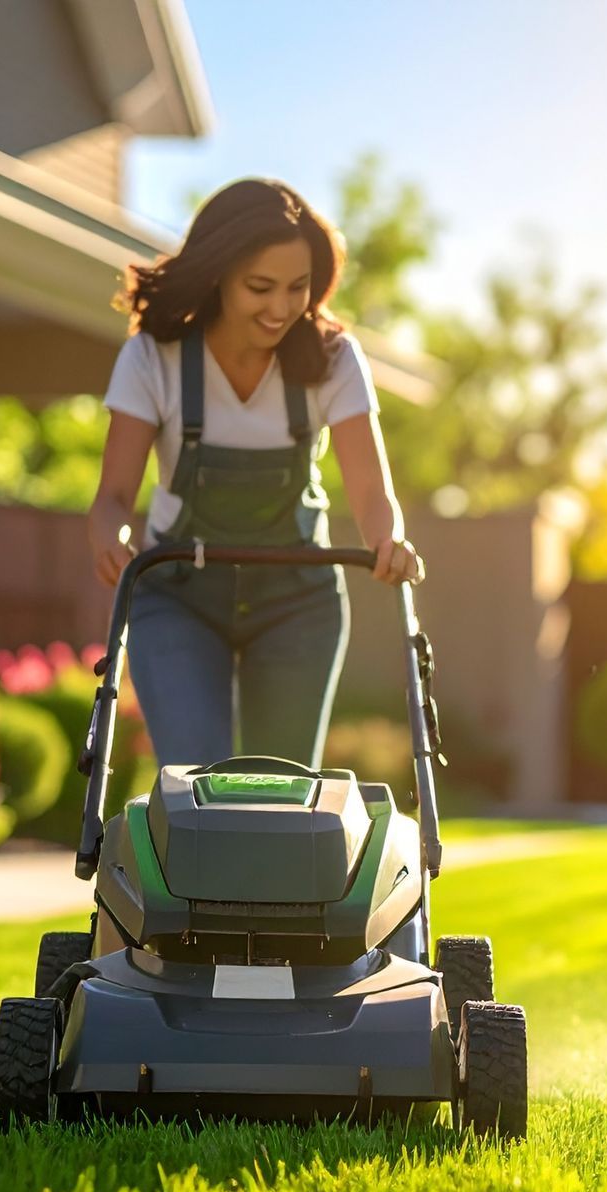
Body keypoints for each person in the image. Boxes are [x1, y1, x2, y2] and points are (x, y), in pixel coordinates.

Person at [88, 177, 424, 771]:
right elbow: (113, 496)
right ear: (218, 274)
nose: (281, 308)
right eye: (260, 288)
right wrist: (110, 533)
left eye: (298, 288)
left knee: (283, 798)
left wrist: (385, 541)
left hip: (297, 600)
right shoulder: (153, 358)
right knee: (196, 788)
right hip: (178, 597)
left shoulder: (332, 358)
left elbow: (372, 491)